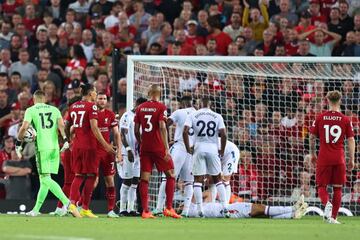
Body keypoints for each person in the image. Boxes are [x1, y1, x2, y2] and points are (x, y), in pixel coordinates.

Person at [16, 90, 81, 218]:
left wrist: (18, 143)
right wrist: (66, 140)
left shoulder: (31, 110)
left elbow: (24, 128)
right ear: (44, 99)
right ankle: (35, 210)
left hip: (42, 148)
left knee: (45, 179)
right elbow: (61, 125)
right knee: (45, 180)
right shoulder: (55, 109)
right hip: (55, 148)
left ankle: (68, 204)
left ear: (34, 99)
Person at [65, 84, 115, 218]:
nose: (95, 94)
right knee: (91, 176)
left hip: (77, 146)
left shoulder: (73, 106)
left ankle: (73, 204)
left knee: (79, 175)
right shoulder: (91, 106)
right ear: (90, 93)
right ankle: (84, 208)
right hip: (90, 146)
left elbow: (67, 125)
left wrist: (69, 140)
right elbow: (94, 127)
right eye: (94, 92)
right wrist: (106, 145)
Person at [134, 84, 181, 219]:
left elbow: (136, 130)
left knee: (144, 179)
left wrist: (141, 142)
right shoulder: (161, 107)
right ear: (160, 93)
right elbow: (162, 127)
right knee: (171, 174)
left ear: (149, 92)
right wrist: (166, 147)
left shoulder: (140, 108)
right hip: (159, 148)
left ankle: (145, 211)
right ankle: (169, 208)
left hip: (145, 148)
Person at [309, 90, 356, 224]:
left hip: (324, 157)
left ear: (327, 101)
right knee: (337, 188)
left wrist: (313, 154)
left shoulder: (320, 117)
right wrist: (351, 159)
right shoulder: (346, 119)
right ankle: (333, 218)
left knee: (321, 186)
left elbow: (312, 138)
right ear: (340, 101)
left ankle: (326, 203)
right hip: (339, 158)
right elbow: (351, 140)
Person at [183, 96, 228, 217]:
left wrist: (188, 148)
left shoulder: (193, 115)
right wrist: (222, 150)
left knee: (197, 180)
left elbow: (185, 131)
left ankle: (200, 209)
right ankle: (225, 207)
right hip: (212, 147)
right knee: (218, 178)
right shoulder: (217, 116)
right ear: (211, 105)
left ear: (199, 104)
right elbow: (223, 134)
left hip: (199, 147)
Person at [154, 96, 196, 217]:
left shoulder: (179, 112)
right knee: (189, 182)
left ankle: (158, 208)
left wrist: (166, 141)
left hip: (180, 148)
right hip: (192, 150)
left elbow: (165, 124)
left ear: (182, 103)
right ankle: (186, 211)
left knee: (167, 177)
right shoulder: (197, 114)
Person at [118, 97, 147, 216]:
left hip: (138, 154)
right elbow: (122, 134)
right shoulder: (127, 116)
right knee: (127, 181)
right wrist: (128, 149)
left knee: (135, 181)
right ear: (137, 104)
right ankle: (122, 209)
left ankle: (131, 208)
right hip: (127, 153)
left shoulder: (141, 117)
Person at [95, 92, 122, 218]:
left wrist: (120, 152)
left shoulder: (110, 115)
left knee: (109, 180)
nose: (102, 101)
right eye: (100, 98)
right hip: (94, 151)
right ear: (95, 99)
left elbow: (116, 134)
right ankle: (81, 205)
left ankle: (111, 209)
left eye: (104, 99)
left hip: (107, 153)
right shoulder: (92, 113)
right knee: (92, 180)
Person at [186, 195, 308, 219]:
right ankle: (293, 208)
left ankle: (292, 215)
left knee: (262, 214)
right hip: (229, 210)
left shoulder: (198, 208)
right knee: (261, 208)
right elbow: (207, 193)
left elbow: (208, 194)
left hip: (229, 209)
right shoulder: (191, 211)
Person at [210, 139, 240, 204]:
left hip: (230, 152)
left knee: (225, 179)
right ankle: (211, 204)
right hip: (219, 155)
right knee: (212, 180)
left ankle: (226, 206)